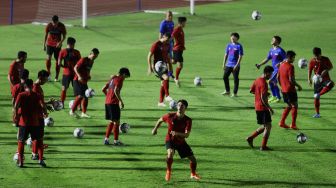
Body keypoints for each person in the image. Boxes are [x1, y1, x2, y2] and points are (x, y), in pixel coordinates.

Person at [152, 99, 200, 181]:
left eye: (182, 106)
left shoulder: (188, 120)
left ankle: (193, 174)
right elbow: (160, 120)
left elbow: (187, 135)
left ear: (186, 108)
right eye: (178, 105)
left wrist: (177, 133)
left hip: (181, 142)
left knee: (193, 160)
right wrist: (155, 129)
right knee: (170, 153)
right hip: (170, 140)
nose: (179, 107)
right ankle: (168, 171)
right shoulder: (170, 116)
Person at [13, 79, 47, 167]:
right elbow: (43, 106)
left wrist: (16, 116)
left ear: (24, 86)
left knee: (21, 141)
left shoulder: (21, 95)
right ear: (32, 86)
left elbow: (16, 106)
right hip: (35, 122)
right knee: (39, 140)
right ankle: (40, 160)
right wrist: (45, 112)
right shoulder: (37, 95)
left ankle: (20, 162)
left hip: (23, 123)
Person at [246, 66, 274, 151]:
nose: (271, 76)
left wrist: (263, 93)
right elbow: (263, 98)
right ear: (267, 73)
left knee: (265, 125)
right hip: (263, 108)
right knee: (268, 126)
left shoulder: (257, 80)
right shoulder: (264, 83)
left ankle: (250, 138)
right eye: (271, 74)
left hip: (257, 107)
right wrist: (269, 108)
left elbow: (251, 90)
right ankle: (263, 146)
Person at [102, 68, 130, 146]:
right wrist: (120, 101)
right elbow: (116, 90)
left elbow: (103, 89)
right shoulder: (119, 79)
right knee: (117, 122)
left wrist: (108, 97)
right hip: (113, 103)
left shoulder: (112, 79)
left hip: (108, 102)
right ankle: (116, 141)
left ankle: (106, 140)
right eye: (125, 77)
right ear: (124, 74)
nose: (124, 79)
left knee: (112, 121)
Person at [70, 48, 100, 118]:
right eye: (94, 56)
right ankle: (72, 111)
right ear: (90, 54)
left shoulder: (92, 62)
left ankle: (83, 113)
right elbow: (75, 68)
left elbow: (88, 70)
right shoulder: (83, 59)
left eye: (96, 57)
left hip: (84, 81)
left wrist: (89, 75)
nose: (95, 58)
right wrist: (79, 76)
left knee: (86, 97)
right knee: (80, 96)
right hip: (77, 80)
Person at [256, 36, 286, 103]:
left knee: (270, 81)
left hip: (278, 69)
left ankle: (278, 97)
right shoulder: (271, 50)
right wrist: (260, 64)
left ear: (277, 42)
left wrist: (280, 63)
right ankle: (274, 96)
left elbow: (286, 59)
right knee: (272, 82)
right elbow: (267, 59)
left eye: (273, 39)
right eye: (272, 39)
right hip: (273, 70)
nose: (272, 40)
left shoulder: (280, 50)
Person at [278, 51, 302, 130]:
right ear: (289, 57)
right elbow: (291, 80)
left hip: (284, 89)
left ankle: (282, 122)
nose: (294, 59)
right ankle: (293, 124)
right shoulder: (290, 66)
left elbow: (278, 77)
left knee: (289, 105)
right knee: (295, 106)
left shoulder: (281, 65)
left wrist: (282, 86)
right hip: (290, 90)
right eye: (293, 57)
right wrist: (299, 86)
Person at [147, 33, 173, 107]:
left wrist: (170, 67)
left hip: (164, 66)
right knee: (166, 78)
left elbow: (167, 57)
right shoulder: (156, 44)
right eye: (167, 40)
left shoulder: (167, 45)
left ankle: (160, 102)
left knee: (163, 83)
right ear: (163, 37)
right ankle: (167, 96)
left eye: (169, 40)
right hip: (157, 66)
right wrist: (150, 67)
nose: (168, 41)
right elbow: (149, 56)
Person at [308, 47, 334, 118]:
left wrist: (326, 70)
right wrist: (309, 79)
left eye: (318, 56)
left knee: (331, 84)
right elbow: (310, 69)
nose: (316, 57)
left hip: (325, 78)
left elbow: (331, 67)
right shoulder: (312, 61)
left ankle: (319, 94)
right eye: (315, 56)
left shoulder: (325, 59)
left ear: (320, 54)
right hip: (317, 80)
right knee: (316, 98)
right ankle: (317, 113)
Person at [32, 70, 50, 160]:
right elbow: (41, 104)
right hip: (37, 116)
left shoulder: (36, 86)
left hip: (36, 114)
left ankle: (35, 153)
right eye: (45, 79)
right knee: (39, 136)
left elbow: (40, 102)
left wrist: (48, 103)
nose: (46, 81)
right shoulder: (36, 88)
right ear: (40, 78)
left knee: (37, 136)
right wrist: (45, 112)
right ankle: (36, 155)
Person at [58, 37, 81, 106]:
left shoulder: (62, 51)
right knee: (77, 90)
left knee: (64, 88)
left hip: (66, 73)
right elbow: (80, 63)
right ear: (72, 44)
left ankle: (62, 104)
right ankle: (79, 105)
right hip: (75, 74)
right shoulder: (76, 52)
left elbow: (59, 63)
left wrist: (64, 67)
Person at [43, 15, 67, 81]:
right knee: (48, 59)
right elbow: (46, 35)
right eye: (53, 23)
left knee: (58, 61)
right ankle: (49, 74)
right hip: (49, 44)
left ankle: (56, 76)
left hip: (57, 46)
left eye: (55, 23)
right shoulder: (49, 25)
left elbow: (64, 36)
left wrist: (60, 42)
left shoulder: (61, 26)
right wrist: (44, 45)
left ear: (57, 21)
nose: (54, 24)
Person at [221, 32, 244, 97]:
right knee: (225, 77)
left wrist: (237, 65)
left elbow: (240, 56)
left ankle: (235, 93)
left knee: (236, 79)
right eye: (231, 37)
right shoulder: (229, 45)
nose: (232, 38)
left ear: (237, 38)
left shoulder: (239, 46)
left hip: (235, 65)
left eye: (233, 37)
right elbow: (226, 55)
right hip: (228, 64)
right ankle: (227, 91)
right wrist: (223, 64)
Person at [172, 17, 187, 87]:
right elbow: (171, 36)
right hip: (177, 49)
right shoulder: (177, 29)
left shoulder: (181, 29)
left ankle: (164, 62)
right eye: (185, 22)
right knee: (180, 65)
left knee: (173, 62)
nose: (185, 24)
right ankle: (176, 79)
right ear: (182, 22)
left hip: (180, 49)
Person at [159, 10, 175, 78]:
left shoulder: (172, 23)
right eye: (169, 16)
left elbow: (172, 33)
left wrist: (173, 42)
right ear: (166, 16)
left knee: (170, 58)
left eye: (171, 15)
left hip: (170, 43)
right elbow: (160, 34)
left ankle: (170, 73)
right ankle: (163, 73)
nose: (170, 17)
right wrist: (160, 43)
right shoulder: (163, 23)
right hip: (164, 44)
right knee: (165, 59)